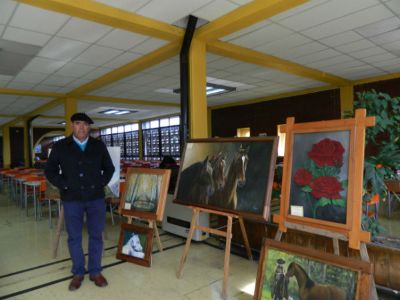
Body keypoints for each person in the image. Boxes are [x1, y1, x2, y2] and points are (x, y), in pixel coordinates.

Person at [45, 112, 115, 291]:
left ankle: (95, 271)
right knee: (74, 237)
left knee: (96, 236)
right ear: (72, 126)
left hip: (95, 198)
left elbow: (109, 168)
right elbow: (50, 171)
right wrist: (64, 185)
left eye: (85, 124)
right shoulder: (61, 146)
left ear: (89, 127)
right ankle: (78, 272)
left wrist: (100, 183)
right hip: (72, 199)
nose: (82, 127)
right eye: (78, 123)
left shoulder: (98, 146)